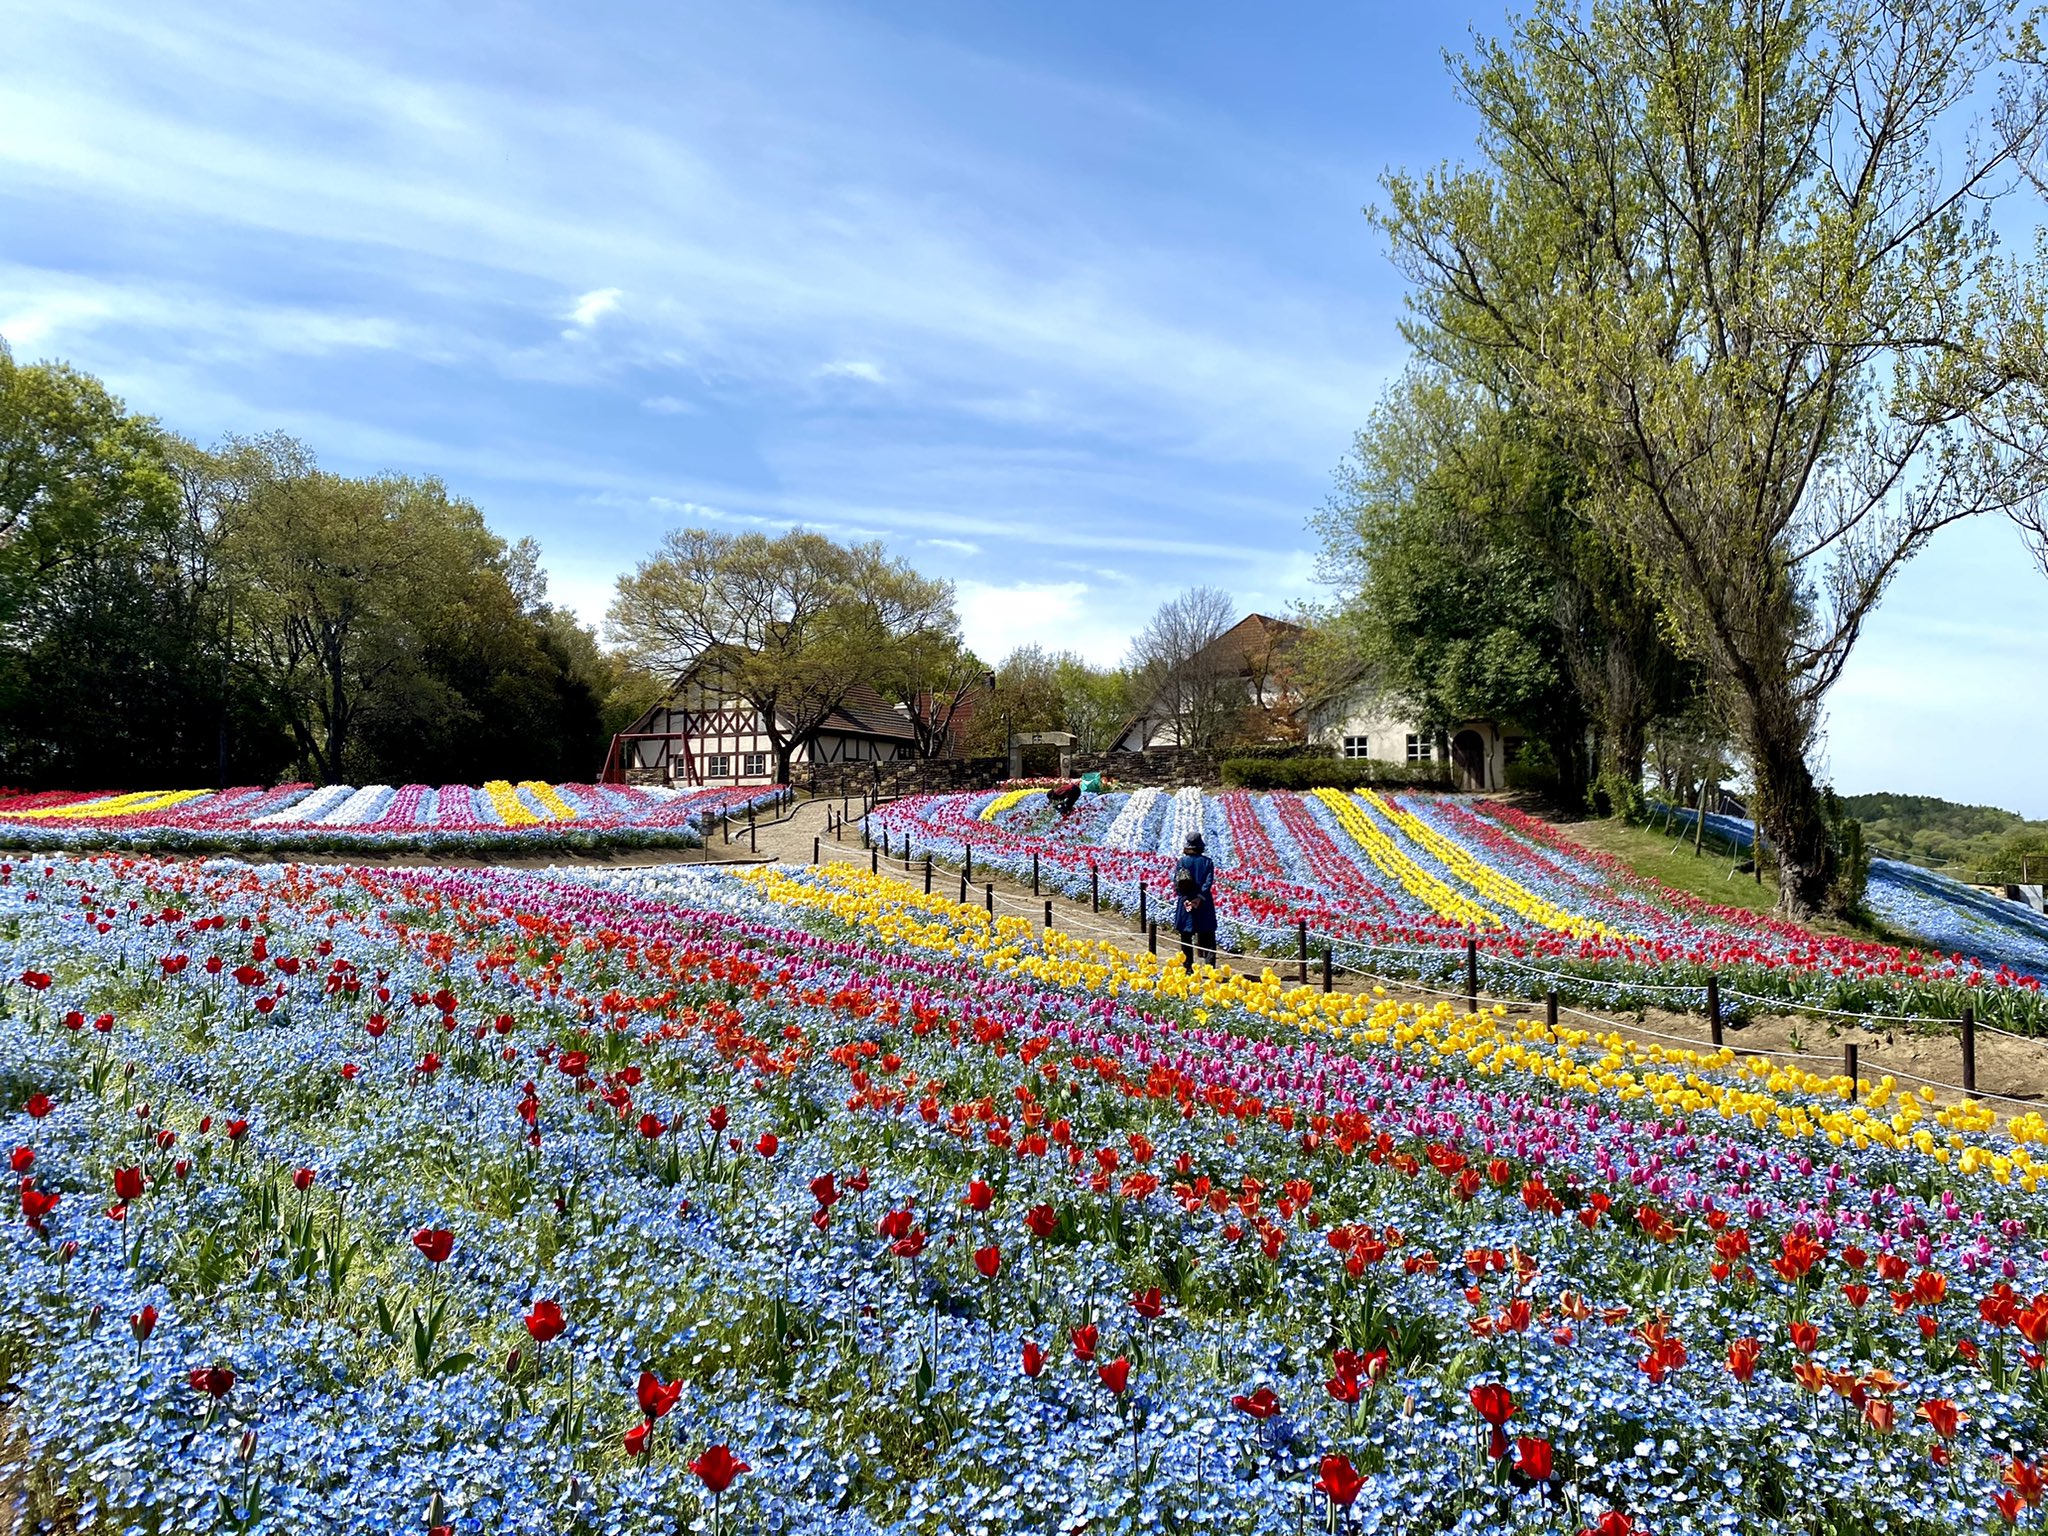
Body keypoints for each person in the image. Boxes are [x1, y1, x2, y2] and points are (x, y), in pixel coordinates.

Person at [1171, 832, 1216, 971]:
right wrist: (1199, 899)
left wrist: (1186, 899)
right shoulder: (1208, 862)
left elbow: (1177, 882)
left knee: (1186, 936)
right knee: (1208, 936)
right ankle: (1210, 968)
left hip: (1186, 904)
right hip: (1203, 903)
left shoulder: (1182, 862)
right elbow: (1208, 883)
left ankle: (1188, 967)